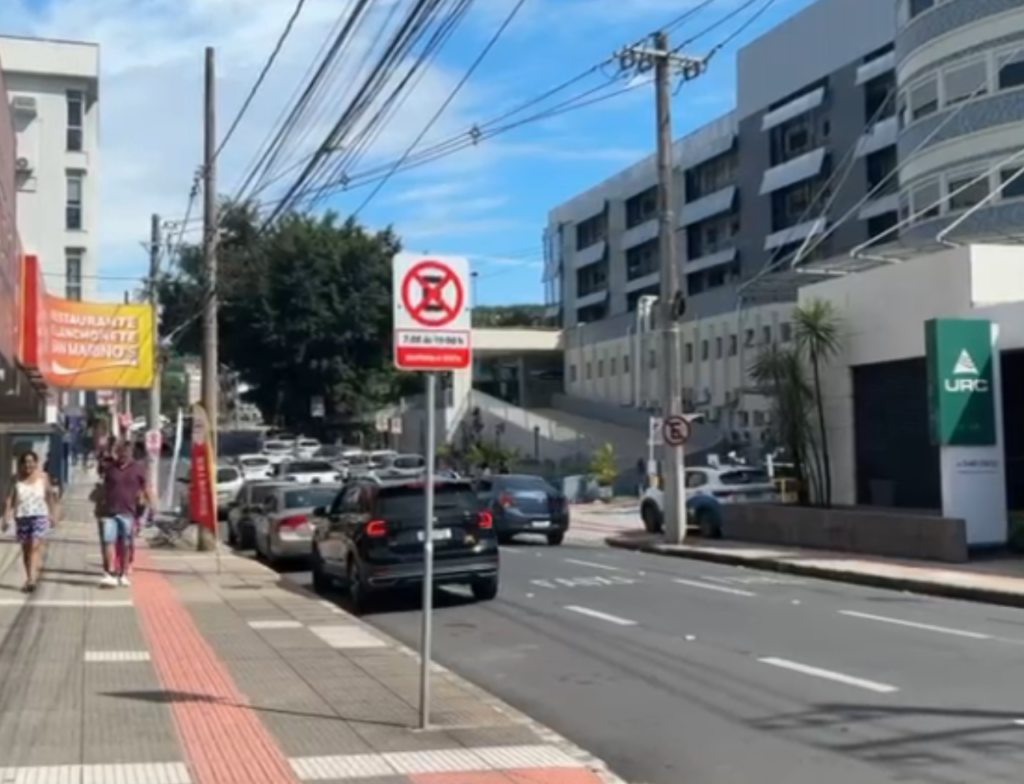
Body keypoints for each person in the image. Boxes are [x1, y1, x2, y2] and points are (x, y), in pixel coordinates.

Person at [95, 440, 155, 588]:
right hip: (110, 512)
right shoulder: (110, 468)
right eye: (120, 451)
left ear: (131, 453)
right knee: (109, 541)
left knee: (126, 544)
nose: (123, 454)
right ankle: (110, 573)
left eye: (126, 451)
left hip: (128, 512)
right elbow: (104, 488)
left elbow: (146, 487)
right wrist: (99, 506)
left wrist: (152, 506)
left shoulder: (138, 469)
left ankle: (123, 572)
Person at [2, 451, 59, 592]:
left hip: (39, 516)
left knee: (34, 545)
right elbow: (8, 499)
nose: (28, 465)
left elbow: (50, 496)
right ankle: (29, 577)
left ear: (36, 463)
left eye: (31, 462)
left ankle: (32, 580)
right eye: (25, 462)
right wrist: (6, 517)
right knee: (26, 550)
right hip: (22, 517)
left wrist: (53, 515)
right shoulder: (15, 479)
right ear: (20, 464)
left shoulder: (43, 477)